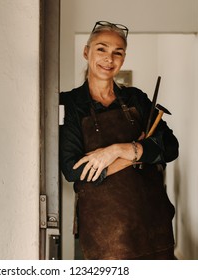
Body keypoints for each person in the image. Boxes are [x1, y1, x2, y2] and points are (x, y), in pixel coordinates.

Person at [59, 21, 179, 260]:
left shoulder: (136, 99)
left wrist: (115, 151)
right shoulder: (70, 104)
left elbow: (170, 147)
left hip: (152, 220)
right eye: (101, 49)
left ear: (123, 58)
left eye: (118, 52)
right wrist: (141, 152)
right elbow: (74, 170)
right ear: (86, 52)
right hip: (105, 229)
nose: (109, 58)